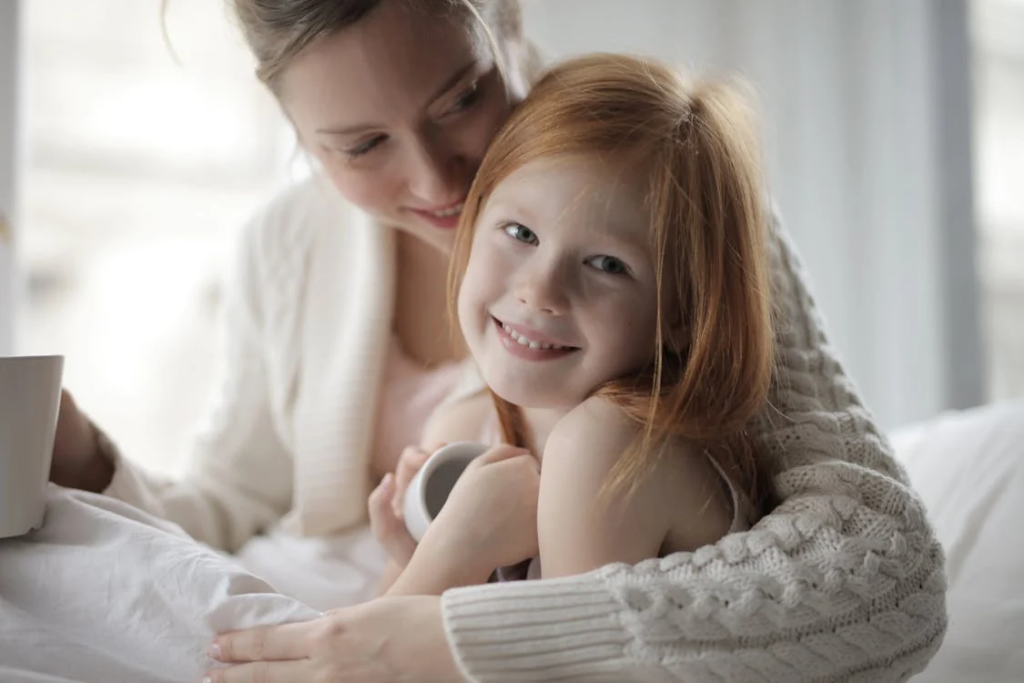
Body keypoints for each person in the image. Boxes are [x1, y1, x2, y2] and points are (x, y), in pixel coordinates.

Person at [45, 0, 945, 680]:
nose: (436, 179)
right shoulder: (286, 244)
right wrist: (84, 464)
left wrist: (443, 624)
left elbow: (883, 568)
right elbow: (227, 505)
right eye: (360, 146)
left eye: (461, 98)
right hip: (334, 603)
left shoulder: (664, 184)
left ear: (504, 15)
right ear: (299, 138)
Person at [368, 53, 777, 598]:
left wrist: (451, 557)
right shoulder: (466, 432)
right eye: (520, 232)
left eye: (608, 265)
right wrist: (415, 557)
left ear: (682, 316)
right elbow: (352, 651)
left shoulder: (610, 446)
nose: (539, 290)